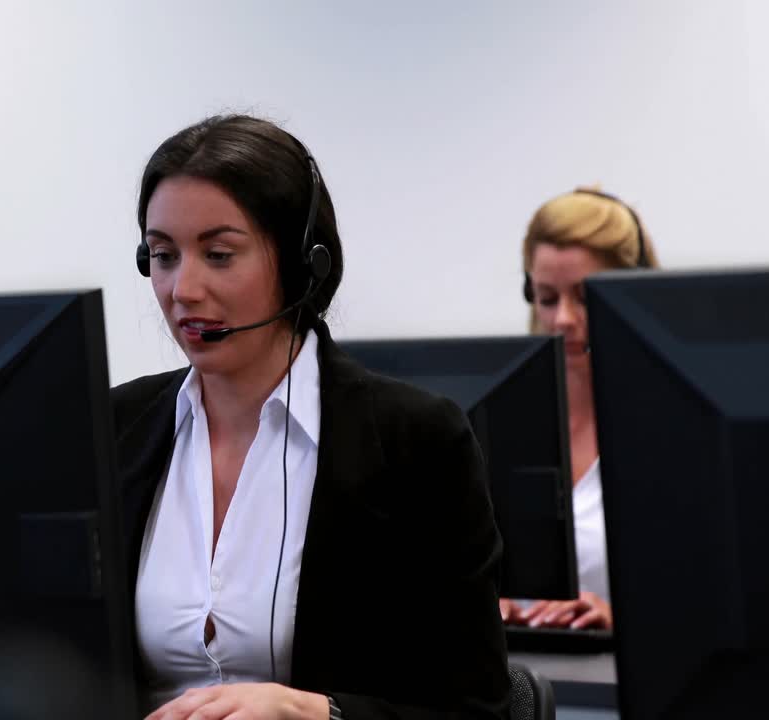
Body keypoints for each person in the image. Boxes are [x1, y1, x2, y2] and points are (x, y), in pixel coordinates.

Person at [112, 115, 509, 719]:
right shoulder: (114, 429)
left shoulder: (414, 441)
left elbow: (476, 713)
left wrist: (317, 714)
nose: (182, 289)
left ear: (304, 265)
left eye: (219, 255)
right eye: (163, 256)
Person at [498, 187, 660, 631]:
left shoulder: (667, 430)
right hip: (520, 688)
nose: (564, 319)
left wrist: (622, 620)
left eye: (585, 298)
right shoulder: (503, 426)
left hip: (624, 687)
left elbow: (710, 596)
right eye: (548, 299)